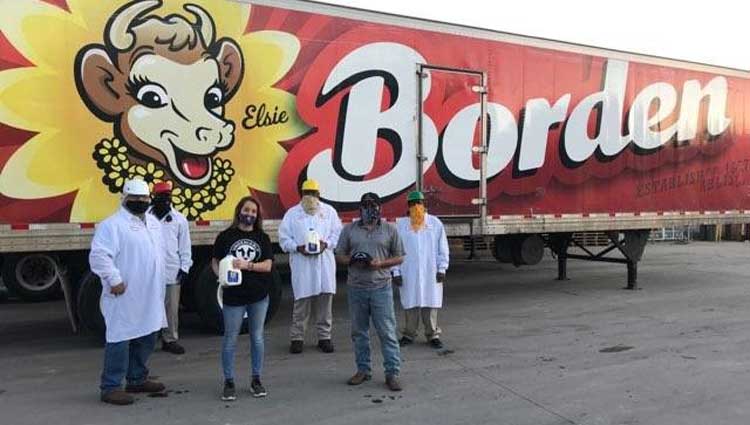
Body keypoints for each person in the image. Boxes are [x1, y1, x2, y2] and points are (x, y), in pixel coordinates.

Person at [89, 179, 167, 405]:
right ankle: (110, 386)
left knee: (148, 334)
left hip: (150, 292)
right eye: (135, 198)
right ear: (124, 198)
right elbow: (99, 256)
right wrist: (114, 279)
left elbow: (159, 252)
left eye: (144, 198)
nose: (140, 202)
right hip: (124, 293)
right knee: (120, 337)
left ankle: (137, 378)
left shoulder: (153, 222)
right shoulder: (112, 225)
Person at [335, 192, 405, 392]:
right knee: (359, 332)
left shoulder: (390, 230)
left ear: (380, 207)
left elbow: (400, 257)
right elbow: (339, 255)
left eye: (373, 205)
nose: (369, 209)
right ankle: (363, 370)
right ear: (360, 208)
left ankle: (392, 373)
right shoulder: (349, 230)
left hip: (381, 287)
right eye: (365, 205)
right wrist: (353, 260)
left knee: (387, 332)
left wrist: (380, 264)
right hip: (356, 288)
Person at [211, 196, 273, 401]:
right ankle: (229, 381)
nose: (250, 215)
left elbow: (268, 266)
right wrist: (220, 276)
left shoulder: (262, 238)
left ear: (257, 216)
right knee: (230, 338)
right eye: (247, 210)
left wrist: (248, 266)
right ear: (239, 211)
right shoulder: (225, 237)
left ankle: (256, 379)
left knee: (257, 337)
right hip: (233, 297)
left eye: (254, 212)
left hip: (258, 295)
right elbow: (215, 261)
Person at [279, 179, 342, 354]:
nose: (310, 197)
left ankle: (324, 337)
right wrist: (297, 247)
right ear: (301, 194)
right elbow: (284, 239)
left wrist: (326, 244)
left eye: (313, 194)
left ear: (319, 195)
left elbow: (337, 233)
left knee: (325, 302)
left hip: (324, 263)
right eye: (307, 193)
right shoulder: (292, 214)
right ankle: (297, 338)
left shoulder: (329, 212)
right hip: (302, 263)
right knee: (301, 302)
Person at [392, 191, 450, 349]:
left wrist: (442, 268)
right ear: (408, 206)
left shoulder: (435, 223)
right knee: (410, 304)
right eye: (413, 203)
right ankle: (408, 334)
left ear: (424, 205)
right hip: (408, 272)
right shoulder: (401, 225)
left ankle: (432, 335)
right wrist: (395, 272)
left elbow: (442, 248)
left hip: (430, 272)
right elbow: (395, 251)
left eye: (419, 202)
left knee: (430, 304)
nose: (416, 206)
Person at [149, 181, 192, 355]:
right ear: (153, 198)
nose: (165, 201)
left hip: (171, 269)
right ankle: (147, 340)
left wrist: (185, 267)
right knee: (148, 307)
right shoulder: (144, 217)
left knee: (171, 309)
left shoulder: (179, 219)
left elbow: (185, 246)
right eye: (161, 197)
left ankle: (170, 339)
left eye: (167, 197)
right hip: (149, 271)